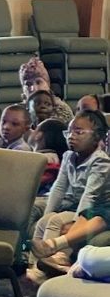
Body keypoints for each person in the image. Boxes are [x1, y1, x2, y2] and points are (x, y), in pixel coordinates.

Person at [27, 110, 110, 283]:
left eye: (78, 132)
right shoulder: (68, 156)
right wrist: (49, 212)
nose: (71, 136)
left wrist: (76, 221)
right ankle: (33, 264)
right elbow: (59, 187)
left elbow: (90, 195)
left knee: (56, 221)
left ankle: (56, 260)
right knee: (46, 219)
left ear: (97, 137)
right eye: (69, 132)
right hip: (71, 203)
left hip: (90, 208)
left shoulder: (100, 161)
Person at [19, 56, 73, 123]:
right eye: (28, 84)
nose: (33, 88)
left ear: (47, 84)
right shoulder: (17, 112)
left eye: (38, 82)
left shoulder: (61, 110)